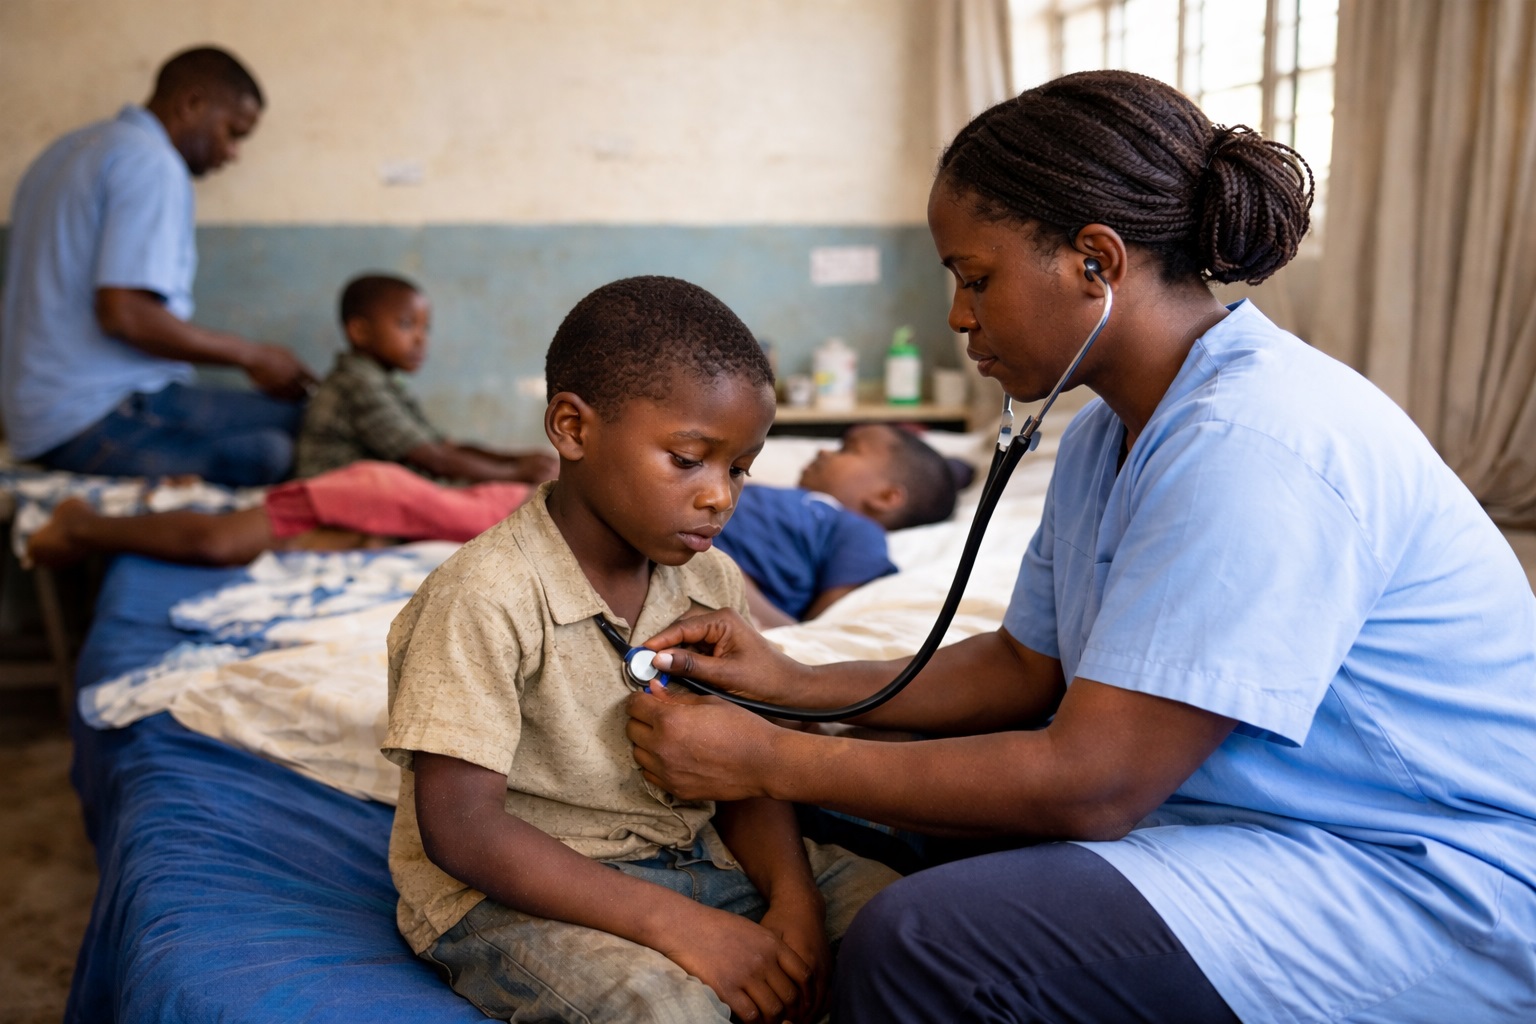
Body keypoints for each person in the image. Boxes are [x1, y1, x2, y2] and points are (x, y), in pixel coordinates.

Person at [625, 71, 1536, 1023]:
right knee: (856, 811)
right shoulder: (1109, 432)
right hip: (1237, 829)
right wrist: (792, 682)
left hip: (1413, 871)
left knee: (929, 942)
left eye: (975, 279)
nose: (959, 317)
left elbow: (1093, 784)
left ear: (1094, 263)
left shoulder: (1259, 442)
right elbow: (1026, 665)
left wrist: (772, 758)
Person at [382, 276, 899, 1023]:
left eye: (740, 468)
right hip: (520, 894)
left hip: (700, 860)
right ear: (573, 427)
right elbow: (462, 829)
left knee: (900, 920)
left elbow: (743, 768)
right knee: (661, 1006)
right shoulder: (483, 594)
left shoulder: (710, 579)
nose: (721, 495)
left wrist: (792, 904)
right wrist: (682, 928)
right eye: (689, 459)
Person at [0, 46, 316, 487]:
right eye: (232, 133)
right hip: (90, 418)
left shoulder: (67, 150)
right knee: (280, 448)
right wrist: (253, 356)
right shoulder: (151, 162)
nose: (233, 153)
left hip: (39, 417)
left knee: (310, 422)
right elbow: (125, 315)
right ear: (191, 104)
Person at [295, 273, 557, 482]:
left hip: (371, 488)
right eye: (407, 325)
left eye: (426, 328)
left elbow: (443, 447)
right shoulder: (356, 383)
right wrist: (515, 474)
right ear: (360, 331)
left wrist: (515, 460)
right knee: (492, 503)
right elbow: (434, 459)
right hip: (332, 492)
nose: (421, 339)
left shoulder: (385, 382)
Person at [719, 423, 969, 626]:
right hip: (694, 534)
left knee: (717, 572)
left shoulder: (860, 530)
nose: (823, 452)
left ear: (885, 497)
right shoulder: (793, 497)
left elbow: (826, 617)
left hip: (727, 572)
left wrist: (784, 631)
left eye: (846, 450)